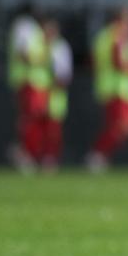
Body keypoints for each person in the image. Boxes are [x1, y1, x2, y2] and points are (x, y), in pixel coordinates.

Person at [87, 6, 128, 172]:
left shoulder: (104, 35)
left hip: (115, 86)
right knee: (121, 126)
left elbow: (94, 60)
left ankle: (100, 155)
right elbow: (117, 60)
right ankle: (97, 154)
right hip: (118, 87)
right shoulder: (118, 34)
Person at [6, 4, 50, 172]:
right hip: (28, 78)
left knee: (36, 117)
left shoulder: (32, 28)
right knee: (30, 117)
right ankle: (23, 152)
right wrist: (38, 61)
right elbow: (23, 52)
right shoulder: (25, 26)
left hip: (36, 80)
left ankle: (28, 153)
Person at [42, 18, 73, 171]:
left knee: (53, 129)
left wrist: (56, 83)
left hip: (54, 94)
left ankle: (50, 159)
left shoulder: (60, 47)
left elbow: (64, 74)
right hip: (41, 91)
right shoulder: (40, 45)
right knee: (37, 126)